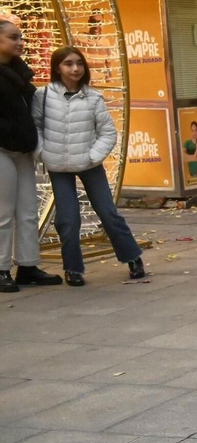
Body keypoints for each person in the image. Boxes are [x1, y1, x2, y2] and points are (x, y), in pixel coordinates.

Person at [32, 45, 145, 285]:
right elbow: (36, 127)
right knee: (68, 219)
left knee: (108, 212)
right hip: (58, 166)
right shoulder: (43, 95)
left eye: (79, 63)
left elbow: (108, 133)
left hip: (89, 164)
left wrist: (93, 156)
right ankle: (72, 269)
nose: (75, 69)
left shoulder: (93, 98)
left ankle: (133, 257)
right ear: (57, 68)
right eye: (68, 64)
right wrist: (43, 153)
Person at [0, 20, 60, 292]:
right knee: (3, 212)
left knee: (27, 210)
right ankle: (1, 268)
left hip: (23, 149)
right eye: (14, 37)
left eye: (21, 37)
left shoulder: (20, 72)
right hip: (3, 148)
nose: (20, 42)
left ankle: (27, 265)